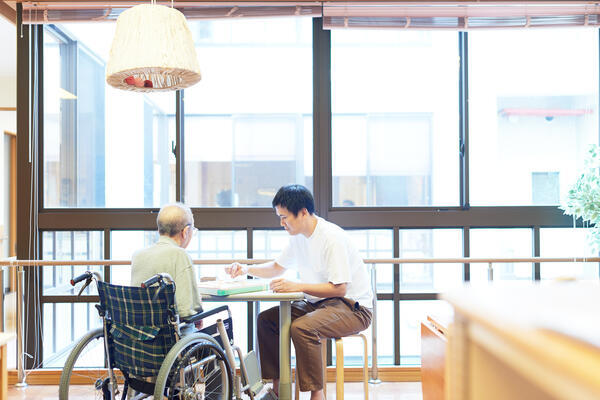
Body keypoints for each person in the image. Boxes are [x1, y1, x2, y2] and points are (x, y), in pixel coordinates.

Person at [226, 185, 373, 400]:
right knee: (267, 320)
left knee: (302, 328)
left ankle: (317, 394)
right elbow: (277, 267)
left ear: (303, 212)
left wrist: (299, 286)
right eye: (280, 217)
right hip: (319, 304)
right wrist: (246, 269)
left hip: (353, 308)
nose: (281, 223)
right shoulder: (298, 237)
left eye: (285, 217)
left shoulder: (331, 237)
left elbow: (339, 288)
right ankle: (277, 386)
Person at [131, 203, 203, 319]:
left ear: (159, 229)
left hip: (140, 331)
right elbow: (187, 311)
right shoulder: (180, 255)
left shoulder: (138, 255)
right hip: (171, 334)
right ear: (185, 231)